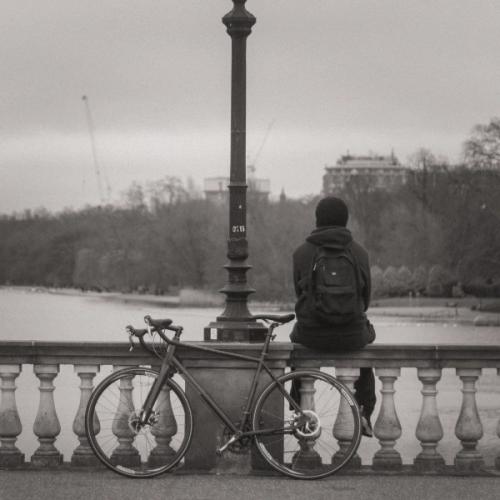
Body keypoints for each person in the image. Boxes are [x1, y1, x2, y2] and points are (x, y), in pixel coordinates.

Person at [290, 196, 376, 436]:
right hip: (351, 334)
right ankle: (364, 408)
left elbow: (299, 294)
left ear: (317, 220)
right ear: (345, 220)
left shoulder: (301, 253)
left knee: (295, 342)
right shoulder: (359, 253)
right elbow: (365, 299)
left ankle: (298, 409)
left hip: (312, 335)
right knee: (366, 341)